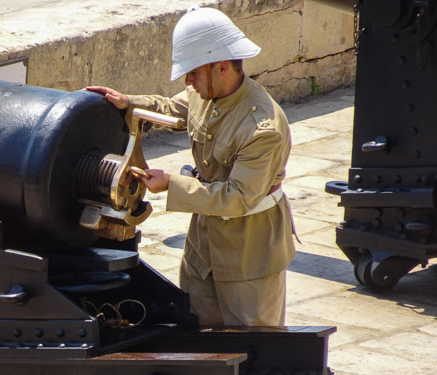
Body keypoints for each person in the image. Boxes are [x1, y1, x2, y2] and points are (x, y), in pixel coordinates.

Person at [87, 6, 296, 327]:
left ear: (222, 67)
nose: (188, 80)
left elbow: (239, 198)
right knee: (198, 332)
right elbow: (174, 109)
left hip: (249, 251)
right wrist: (129, 102)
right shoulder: (205, 91)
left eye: (194, 72)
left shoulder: (261, 128)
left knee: (253, 342)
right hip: (204, 244)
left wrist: (171, 184)